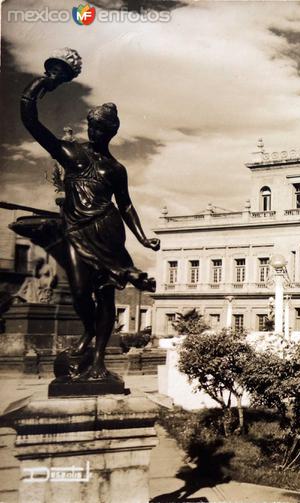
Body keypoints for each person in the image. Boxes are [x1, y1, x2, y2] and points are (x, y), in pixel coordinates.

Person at [20, 56, 160, 380]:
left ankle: (98, 359)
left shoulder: (115, 169)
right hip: (78, 231)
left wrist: (142, 238)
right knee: (81, 290)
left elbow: (125, 205)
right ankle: (87, 333)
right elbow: (30, 117)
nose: (95, 132)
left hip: (108, 232)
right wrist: (47, 80)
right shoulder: (72, 153)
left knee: (107, 294)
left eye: (101, 128)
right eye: (92, 126)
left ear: (111, 131)